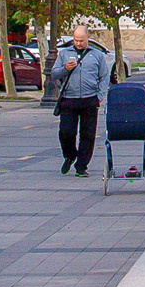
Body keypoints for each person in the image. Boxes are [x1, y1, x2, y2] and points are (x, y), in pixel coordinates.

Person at [50, 23, 111, 177]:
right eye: (76, 40)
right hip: (69, 99)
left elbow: (104, 76)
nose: (78, 43)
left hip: (90, 99)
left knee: (88, 134)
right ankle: (69, 155)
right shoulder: (64, 54)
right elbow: (54, 73)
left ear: (88, 39)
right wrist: (65, 69)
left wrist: (99, 96)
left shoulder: (97, 55)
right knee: (66, 132)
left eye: (81, 40)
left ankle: (81, 165)